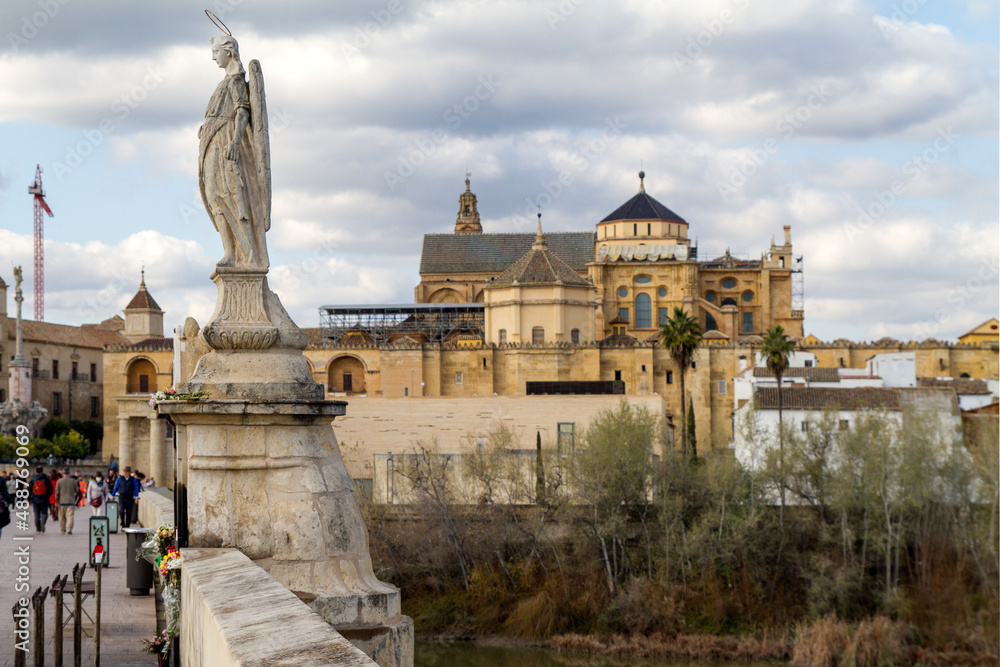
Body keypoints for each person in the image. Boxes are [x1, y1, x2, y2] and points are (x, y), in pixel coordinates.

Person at [199, 34, 270, 270]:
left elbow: (242, 112)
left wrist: (236, 141)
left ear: (228, 51)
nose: (213, 57)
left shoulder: (237, 80)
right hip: (213, 142)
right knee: (213, 195)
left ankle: (248, 252)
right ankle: (230, 251)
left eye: (215, 52)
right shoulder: (224, 82)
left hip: (226, 142)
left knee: (232, 194)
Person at [55, 467, 78, 534]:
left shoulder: (59, 481)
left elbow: (57, 492)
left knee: (62, 516)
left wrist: (56, 500)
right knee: (70, 516)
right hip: (71, 501)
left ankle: (62, 529)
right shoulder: (73, 481)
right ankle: (69, 529)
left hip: (62, 501)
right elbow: (77, 490)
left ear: (63, 473)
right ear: (69, 473)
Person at [30, 465, 53, 533]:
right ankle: (43, 521)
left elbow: (29, 489)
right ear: (42, 470)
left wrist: (29, 499)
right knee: (44, 513)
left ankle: (38, 529)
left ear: (36, 471)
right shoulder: (45, 478)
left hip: (35, 498)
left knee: (36, 513)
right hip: (44, 498)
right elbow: (50, 488)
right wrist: (47, 495)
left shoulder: (33, 478)